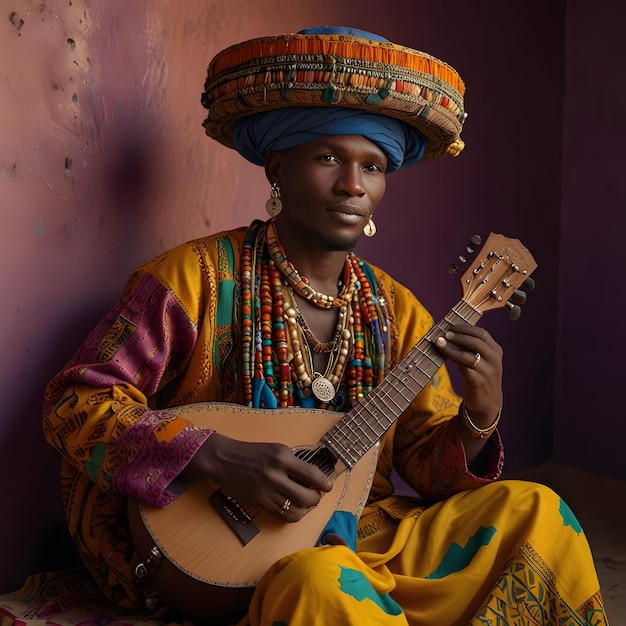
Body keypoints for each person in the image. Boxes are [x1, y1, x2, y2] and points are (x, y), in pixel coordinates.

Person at [41, 26, 607, 626]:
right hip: (248, 560)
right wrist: (214, 456)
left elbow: (427, 471)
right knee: (318, 581)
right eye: (329, 156)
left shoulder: (398, 308)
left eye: (375, 165)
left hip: (365, 537)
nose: (353, 186)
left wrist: (479, 413)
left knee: (538, 510)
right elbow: (74, 404)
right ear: (279, 168)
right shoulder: (192, 278)